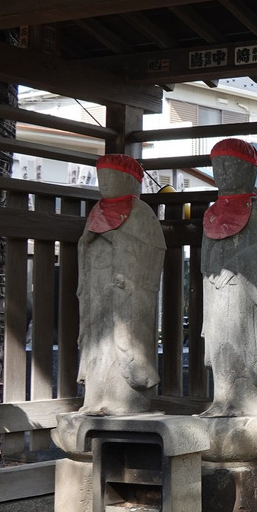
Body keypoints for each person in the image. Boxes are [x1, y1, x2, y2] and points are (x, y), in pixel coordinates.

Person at [77, 154, 165, 414]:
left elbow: (152, 249)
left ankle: (125, 400)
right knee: (98, 343)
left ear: (128, 179)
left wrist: (120, 247)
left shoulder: (140, 212)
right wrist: (88, 243)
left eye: (112, 177)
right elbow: (84, 247)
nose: (106, 183)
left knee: (124, 342)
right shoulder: (97, 211)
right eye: (102, 177)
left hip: (126, 292)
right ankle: (95, 398)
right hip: (98, 291)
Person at [200, 138, 257, 417]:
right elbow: (204, 260)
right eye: (218, 167)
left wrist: (236, 265)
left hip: (244, 294)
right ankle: (221, 399)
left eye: (231, 166)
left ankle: (246, 400)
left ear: (249, 171)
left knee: (242, 344)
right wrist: (212, 272)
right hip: (218, 294)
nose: (223, 173)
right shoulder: (211, 214)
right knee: (220, 342)